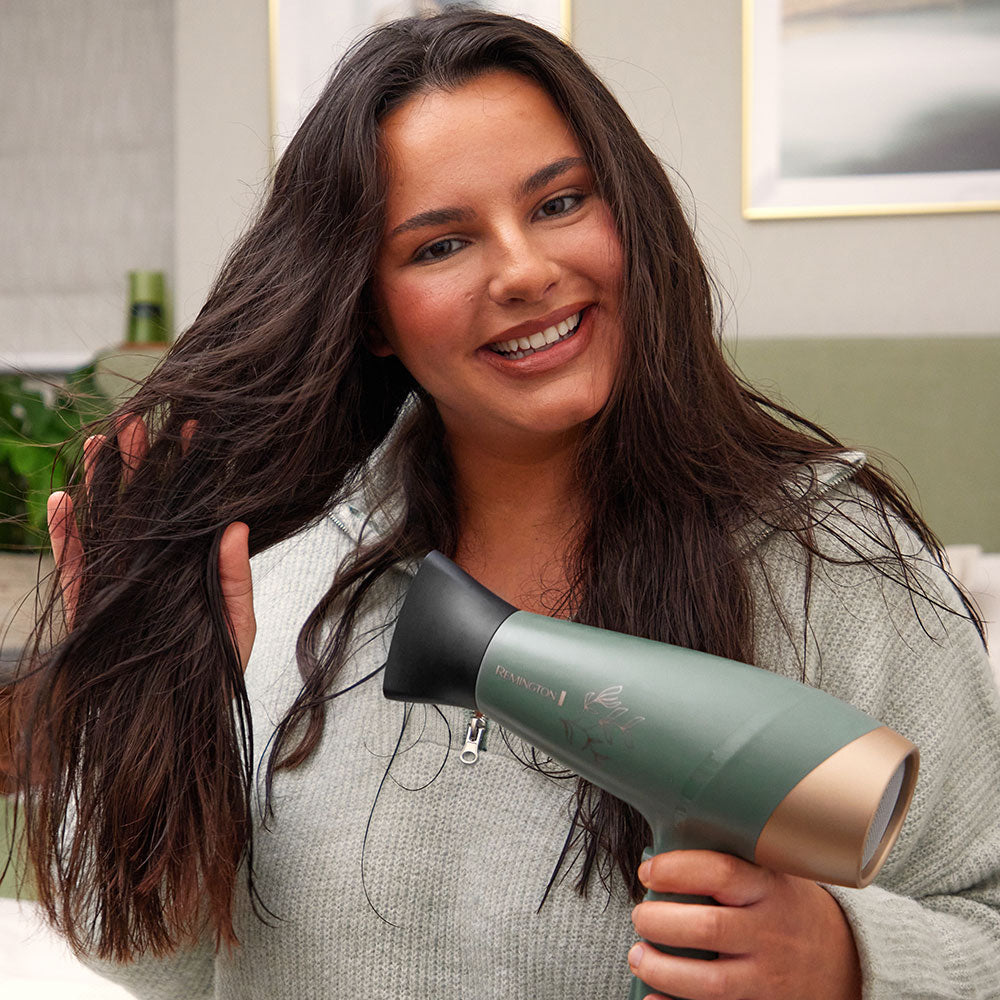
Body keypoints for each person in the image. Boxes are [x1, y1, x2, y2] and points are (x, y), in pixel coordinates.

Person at [9, 8, 999, 999]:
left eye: (560, 202)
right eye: (440, 246)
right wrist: (137, 719)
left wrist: (846, 961)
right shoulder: (275, 569)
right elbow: (155, 965)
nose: (525, 271)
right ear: (373, 314)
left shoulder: (831, 560)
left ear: (629, 217)